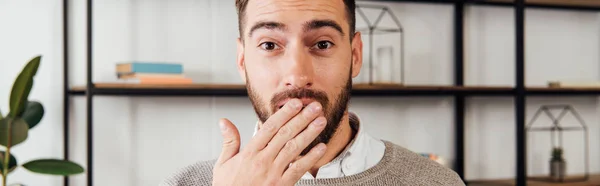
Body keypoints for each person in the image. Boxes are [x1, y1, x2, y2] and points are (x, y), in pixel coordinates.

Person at [160, 0, 465, 185]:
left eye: (322, 44)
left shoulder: (436, 183)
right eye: (270, 45)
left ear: (355, 56)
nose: (297, 76)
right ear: (242, 60)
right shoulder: (183, 184)